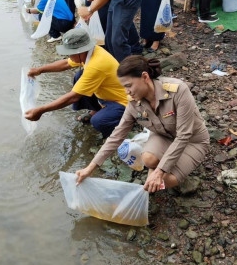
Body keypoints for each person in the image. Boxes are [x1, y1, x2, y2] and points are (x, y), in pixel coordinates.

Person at [75, 55, 210, 192]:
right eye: (124, 87)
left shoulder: (178, 91)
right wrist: (90, 168)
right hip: (163, 136)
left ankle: (160, 169)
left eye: (129, 86)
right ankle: (157, 167)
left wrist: (160, 171)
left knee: (166, 181)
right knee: (148, 159)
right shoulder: (134, 103)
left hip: (192, 141)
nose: (127, 92)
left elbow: (184, 135)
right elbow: (117, 135)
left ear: (145, 77)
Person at [24, 28, 128, 139]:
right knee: (80, 76)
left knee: (98, 121)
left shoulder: (96, 65)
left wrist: (41, 110)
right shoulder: (91, 51)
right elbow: (65, 64)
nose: (69, 57)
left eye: (70, 53)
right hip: (107, 94)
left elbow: (73, 97)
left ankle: (119, 130)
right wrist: (40, 70)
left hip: (122, 101)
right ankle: (98, 109)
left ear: (80, 51)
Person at [78, 0, 143, 63]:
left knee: (118, 41)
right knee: (109, 39)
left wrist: (89, 10)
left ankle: (128, 71)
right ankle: (116, 67)